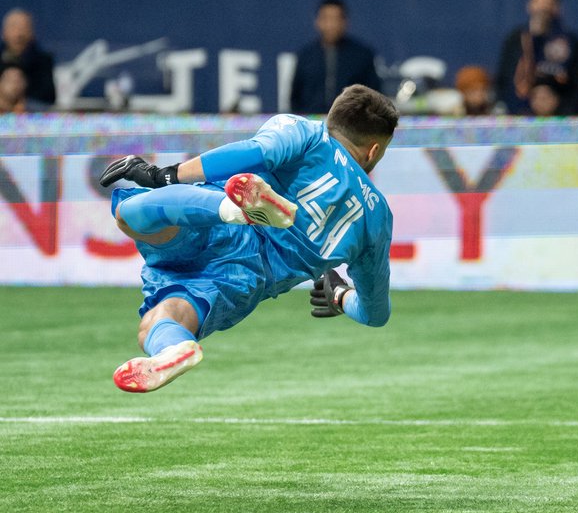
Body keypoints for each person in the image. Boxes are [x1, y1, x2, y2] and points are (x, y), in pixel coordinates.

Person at [97, 84, 398, 392]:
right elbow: (375, 314)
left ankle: (231, 209)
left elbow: (256, 152)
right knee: (158, 322)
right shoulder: (377, 218)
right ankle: (172, 350)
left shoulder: (309, 135)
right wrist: (340, 296)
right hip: (245, 279)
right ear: (374, 150)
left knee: (129, 213)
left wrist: (167, 175)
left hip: (215, 224)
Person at [495, 0, 578, 113]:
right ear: (529, 4)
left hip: (560, 120)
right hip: (521, 117)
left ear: (557, 6)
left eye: (548, 1)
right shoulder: (515, 39)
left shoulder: (571, 41)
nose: (542, 6)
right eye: (538, 0)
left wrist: (563, 111)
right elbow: (504, 81)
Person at [289, 0, 382, 114]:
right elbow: (295, 97)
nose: (331, 25)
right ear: (317, 21)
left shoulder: (362, 55)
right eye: (326, 19)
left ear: (345, 22)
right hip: (313, 123)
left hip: (351, 125)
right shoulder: (306, 56)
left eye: (336, 19)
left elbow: (373, 95)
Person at [1, 8, 56, 105]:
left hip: (30, 116)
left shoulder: (43, 60)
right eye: (14, 27)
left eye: (24, 28)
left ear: (32, 33)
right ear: (4, 32)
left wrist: (22, 98)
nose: (19, 34)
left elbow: (48, 97)